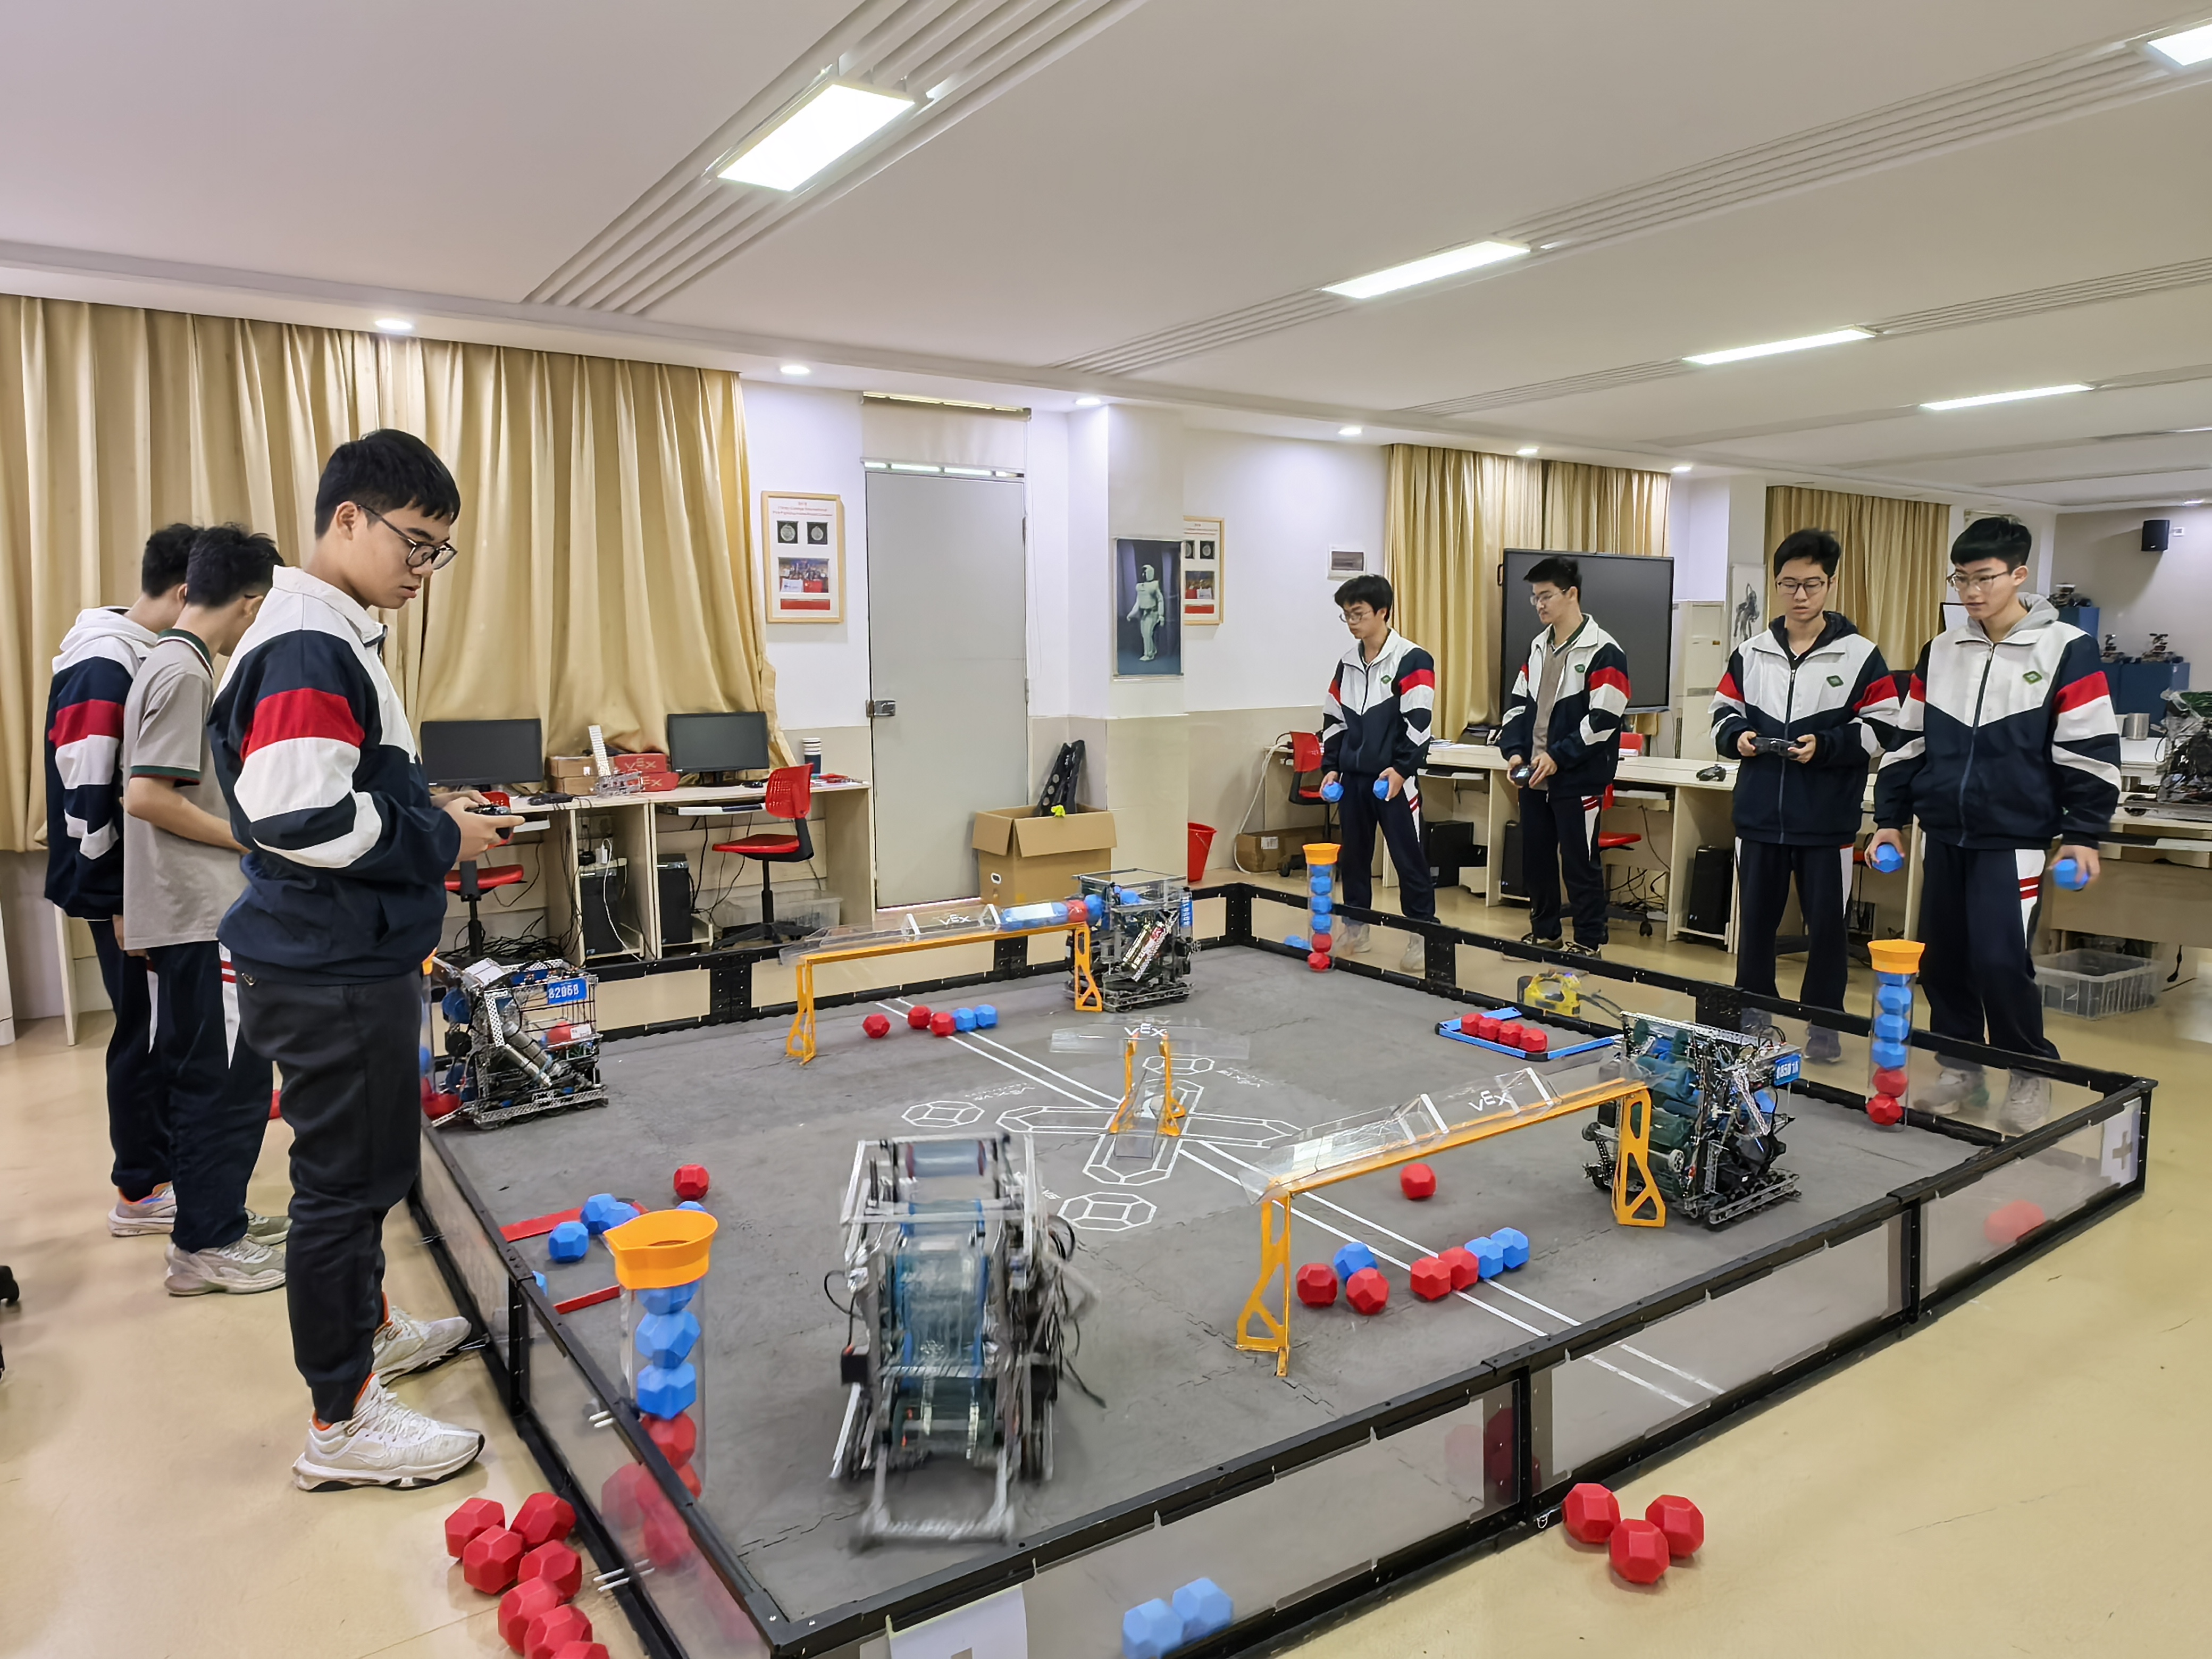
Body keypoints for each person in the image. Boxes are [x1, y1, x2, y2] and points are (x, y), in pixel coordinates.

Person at [210, 430, 521, 1489]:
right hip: (329, 965)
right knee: (342, 1189)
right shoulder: (309, 640)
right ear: (346, 519)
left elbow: (335, 787)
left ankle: (373, 1332)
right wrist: (441, 836)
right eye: (413, 542)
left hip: (342, 954)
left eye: (438, 551)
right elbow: (297, 815)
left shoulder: (333, 633)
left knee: (369, 1172)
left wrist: (427, 807)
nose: (423, 569)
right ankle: (340, 1423)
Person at [1871, 517, 2118, 1131]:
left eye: (1983, 578)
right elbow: (1907, 743)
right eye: (1960, 579)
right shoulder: (1940, 650)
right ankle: (1960, 1066)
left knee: (2000, 960)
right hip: (1942, 834)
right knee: (1941, 961)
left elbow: (2089, 749)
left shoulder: (2065, 648)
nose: (1971, 592)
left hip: (2014, 839)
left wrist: (2083, 833)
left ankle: (2029, 1069)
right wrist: (1889, 820)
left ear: (2018, 574)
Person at [120, 525, 291, 1295]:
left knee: (216, 1075)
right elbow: (148, 796)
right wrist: (247, 841)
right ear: (251, 604)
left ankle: (215, 1219)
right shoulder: (185, 670)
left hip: (190, 912)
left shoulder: (171, 662)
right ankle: (205, 1246)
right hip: (200, 914)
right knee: (226, 1081)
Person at [44, 523, 194, 1236]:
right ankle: (140, 1190)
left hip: (140, 886)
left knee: (161, 1029)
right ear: (188, 592)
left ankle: (162, 1171)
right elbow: (87, 794)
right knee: (143, 1032)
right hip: (123, 894)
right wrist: (118, 901)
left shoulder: (135, 651)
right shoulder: (105, 661)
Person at [1711, 529, 1900, 1062]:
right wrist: (1737, 737)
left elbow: (1884, 726)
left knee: (1826, 934)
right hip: (1758, 819)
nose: (1799, 595)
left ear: (1830, 584)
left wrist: (1827, 746)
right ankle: (1753, 1022)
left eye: (1811, 584)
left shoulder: (1860, 656)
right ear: (1775, 585)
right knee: (1754, 929)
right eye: (1789, 584)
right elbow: (1721, 714)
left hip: (1825, 822)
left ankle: (1823, 1026)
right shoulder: (1751, 653)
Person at [1498, 557, 1630, 958]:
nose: (1539, 605)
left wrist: (1558, 756)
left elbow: (1604, 720)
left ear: (1571, 594)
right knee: (1536, 860)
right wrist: (1515, 752)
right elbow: (1517, 705)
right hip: (1534, 775)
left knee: (1580, 863)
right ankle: (1545, 933)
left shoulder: (1605, 650)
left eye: (1546, 596)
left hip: (1577, 777)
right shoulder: (1538, 646)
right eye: (1535, 598)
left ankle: (1589, 941)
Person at [1318, 573, 1437, 974]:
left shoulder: (1413, 659)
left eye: (1359, 614)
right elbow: (1334, 719)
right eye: (1346, 615)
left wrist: (1402, 769)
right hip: (1353, 779)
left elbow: (1419, 722)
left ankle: (1422, 934)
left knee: (1408, 857)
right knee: (1354, 857)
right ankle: (1357, 928)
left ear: (1383, 612)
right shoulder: (1347, 663)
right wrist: (1332, 767)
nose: (1352, 622)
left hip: (1394, 780)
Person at [1128, 562, 1166, 660]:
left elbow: (1160, 600)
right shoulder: (1140, 587)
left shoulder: (1154, 585)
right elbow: (1138, 603)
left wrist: (1161, 615)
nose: (1144, 574)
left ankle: (1149, 654)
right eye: (1143, 573)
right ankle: (1152, 650)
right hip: (1144, 613)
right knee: (1145, 633)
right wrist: (1131, 614)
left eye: (1146, 572)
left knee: (1148, 633)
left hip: (1153, 613)